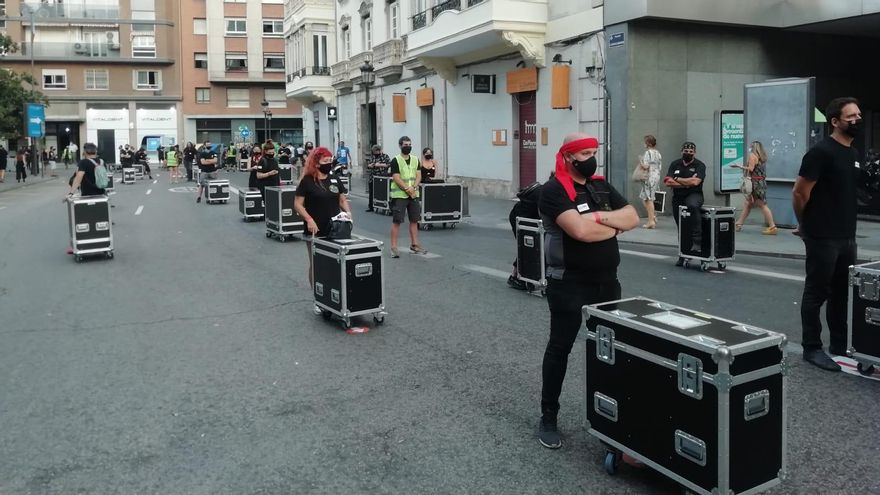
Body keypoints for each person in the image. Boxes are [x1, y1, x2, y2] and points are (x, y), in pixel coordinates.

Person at [536, 133, 639, 449]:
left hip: (607, 280)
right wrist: (611, 226)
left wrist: (597, 217)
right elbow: (578, 231)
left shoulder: (600, 185)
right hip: (569, 283)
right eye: (585, 153)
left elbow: (633, 217)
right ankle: (548, 417)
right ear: (569, 157)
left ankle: (610, 418)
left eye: (594, 151)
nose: (592, 157)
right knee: (560, 348)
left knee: (609, 350)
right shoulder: (553, 190)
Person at [792, 97, 864, 372]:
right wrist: (805, 224)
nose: (856, 119)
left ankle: (839, 345)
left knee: (841, 294)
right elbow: (800, 192)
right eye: (850, 117)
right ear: (835, 122)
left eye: (858, 115)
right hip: (822, 235)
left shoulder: (853, 154)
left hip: (847, 235)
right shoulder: (821, 152)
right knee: (816, 292)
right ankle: (812, 347)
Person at [294, 147, 351, 290]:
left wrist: (348, 214)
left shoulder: (334, 178)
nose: (329, 163)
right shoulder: (307, 181)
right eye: (325, 161)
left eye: (330, 160)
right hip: (315, 230)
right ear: (316, 163)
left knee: (334, 263)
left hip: (335, 229)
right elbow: (297, 205)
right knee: (316, 264)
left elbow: (342, 200)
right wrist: (309, 219)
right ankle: (317, 296)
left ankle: (332, 294)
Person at [664, 141, 706, 266]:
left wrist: (677, 180)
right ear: (682, 151)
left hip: (694, 195)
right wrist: (686, 183)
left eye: (691, 152)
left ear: (695, 153)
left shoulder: (700, 165)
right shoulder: (675, 164)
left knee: (692, 205)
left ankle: (697, 240)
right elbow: (667, 182)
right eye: (686, 151)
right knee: (681, 227)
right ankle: (683, 254)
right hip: (678, 197)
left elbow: (695, 182)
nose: (688, 153)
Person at [389, 136, 427, 258]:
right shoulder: (395, 160)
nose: (408, 147)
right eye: (405, 145)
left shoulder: (416, 159)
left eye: (409, 144)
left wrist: (414, 188)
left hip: (413, 194)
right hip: (400, 195)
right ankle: (394, 247)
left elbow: (418, 176)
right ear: (400, 146)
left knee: (414, 220)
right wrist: (407, 188)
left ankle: (414, 244)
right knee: (397, 221)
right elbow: (396, 177)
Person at [732, 141, 777, 235]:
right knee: (748, 203)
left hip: (755, 183)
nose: (749, 147)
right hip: (761, 182)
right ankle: (738, 224)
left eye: (751, 146)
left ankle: (772, 226)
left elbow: (751, 169)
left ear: (753, 147)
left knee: (762, 204)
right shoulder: (762, 157)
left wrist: (738, 166)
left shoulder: (752, 155)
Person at [508, 181, 542, 290]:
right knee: (526, 246)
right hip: (521, 217)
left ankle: (524, 276)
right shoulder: (549, 191)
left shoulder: (548, 188)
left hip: (527, 215)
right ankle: (515, 277)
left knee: (531, 246)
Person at [635, 135, 662, 229]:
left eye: (645, 142)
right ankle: (653, 216)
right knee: (644, 197)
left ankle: (651, 221)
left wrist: (640, 161)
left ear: (648, 143)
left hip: (649, 176)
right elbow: (659, 166)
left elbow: (646, 166)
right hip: (656, 176)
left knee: (649, 198)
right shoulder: (658, 153)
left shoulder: (648, 153)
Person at [364, 144, 391, 212]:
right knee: (371, 192)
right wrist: (371, 165)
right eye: (374, 152)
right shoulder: (372, 157)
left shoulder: (385, 156)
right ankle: (371, 207)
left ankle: (383, 205)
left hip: (382, 177)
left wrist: (380, 165)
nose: (375, 153)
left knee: (382, 193)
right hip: (373, 177)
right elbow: (368, 165)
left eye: (376, 152)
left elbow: (389, 164)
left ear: (379, 151)